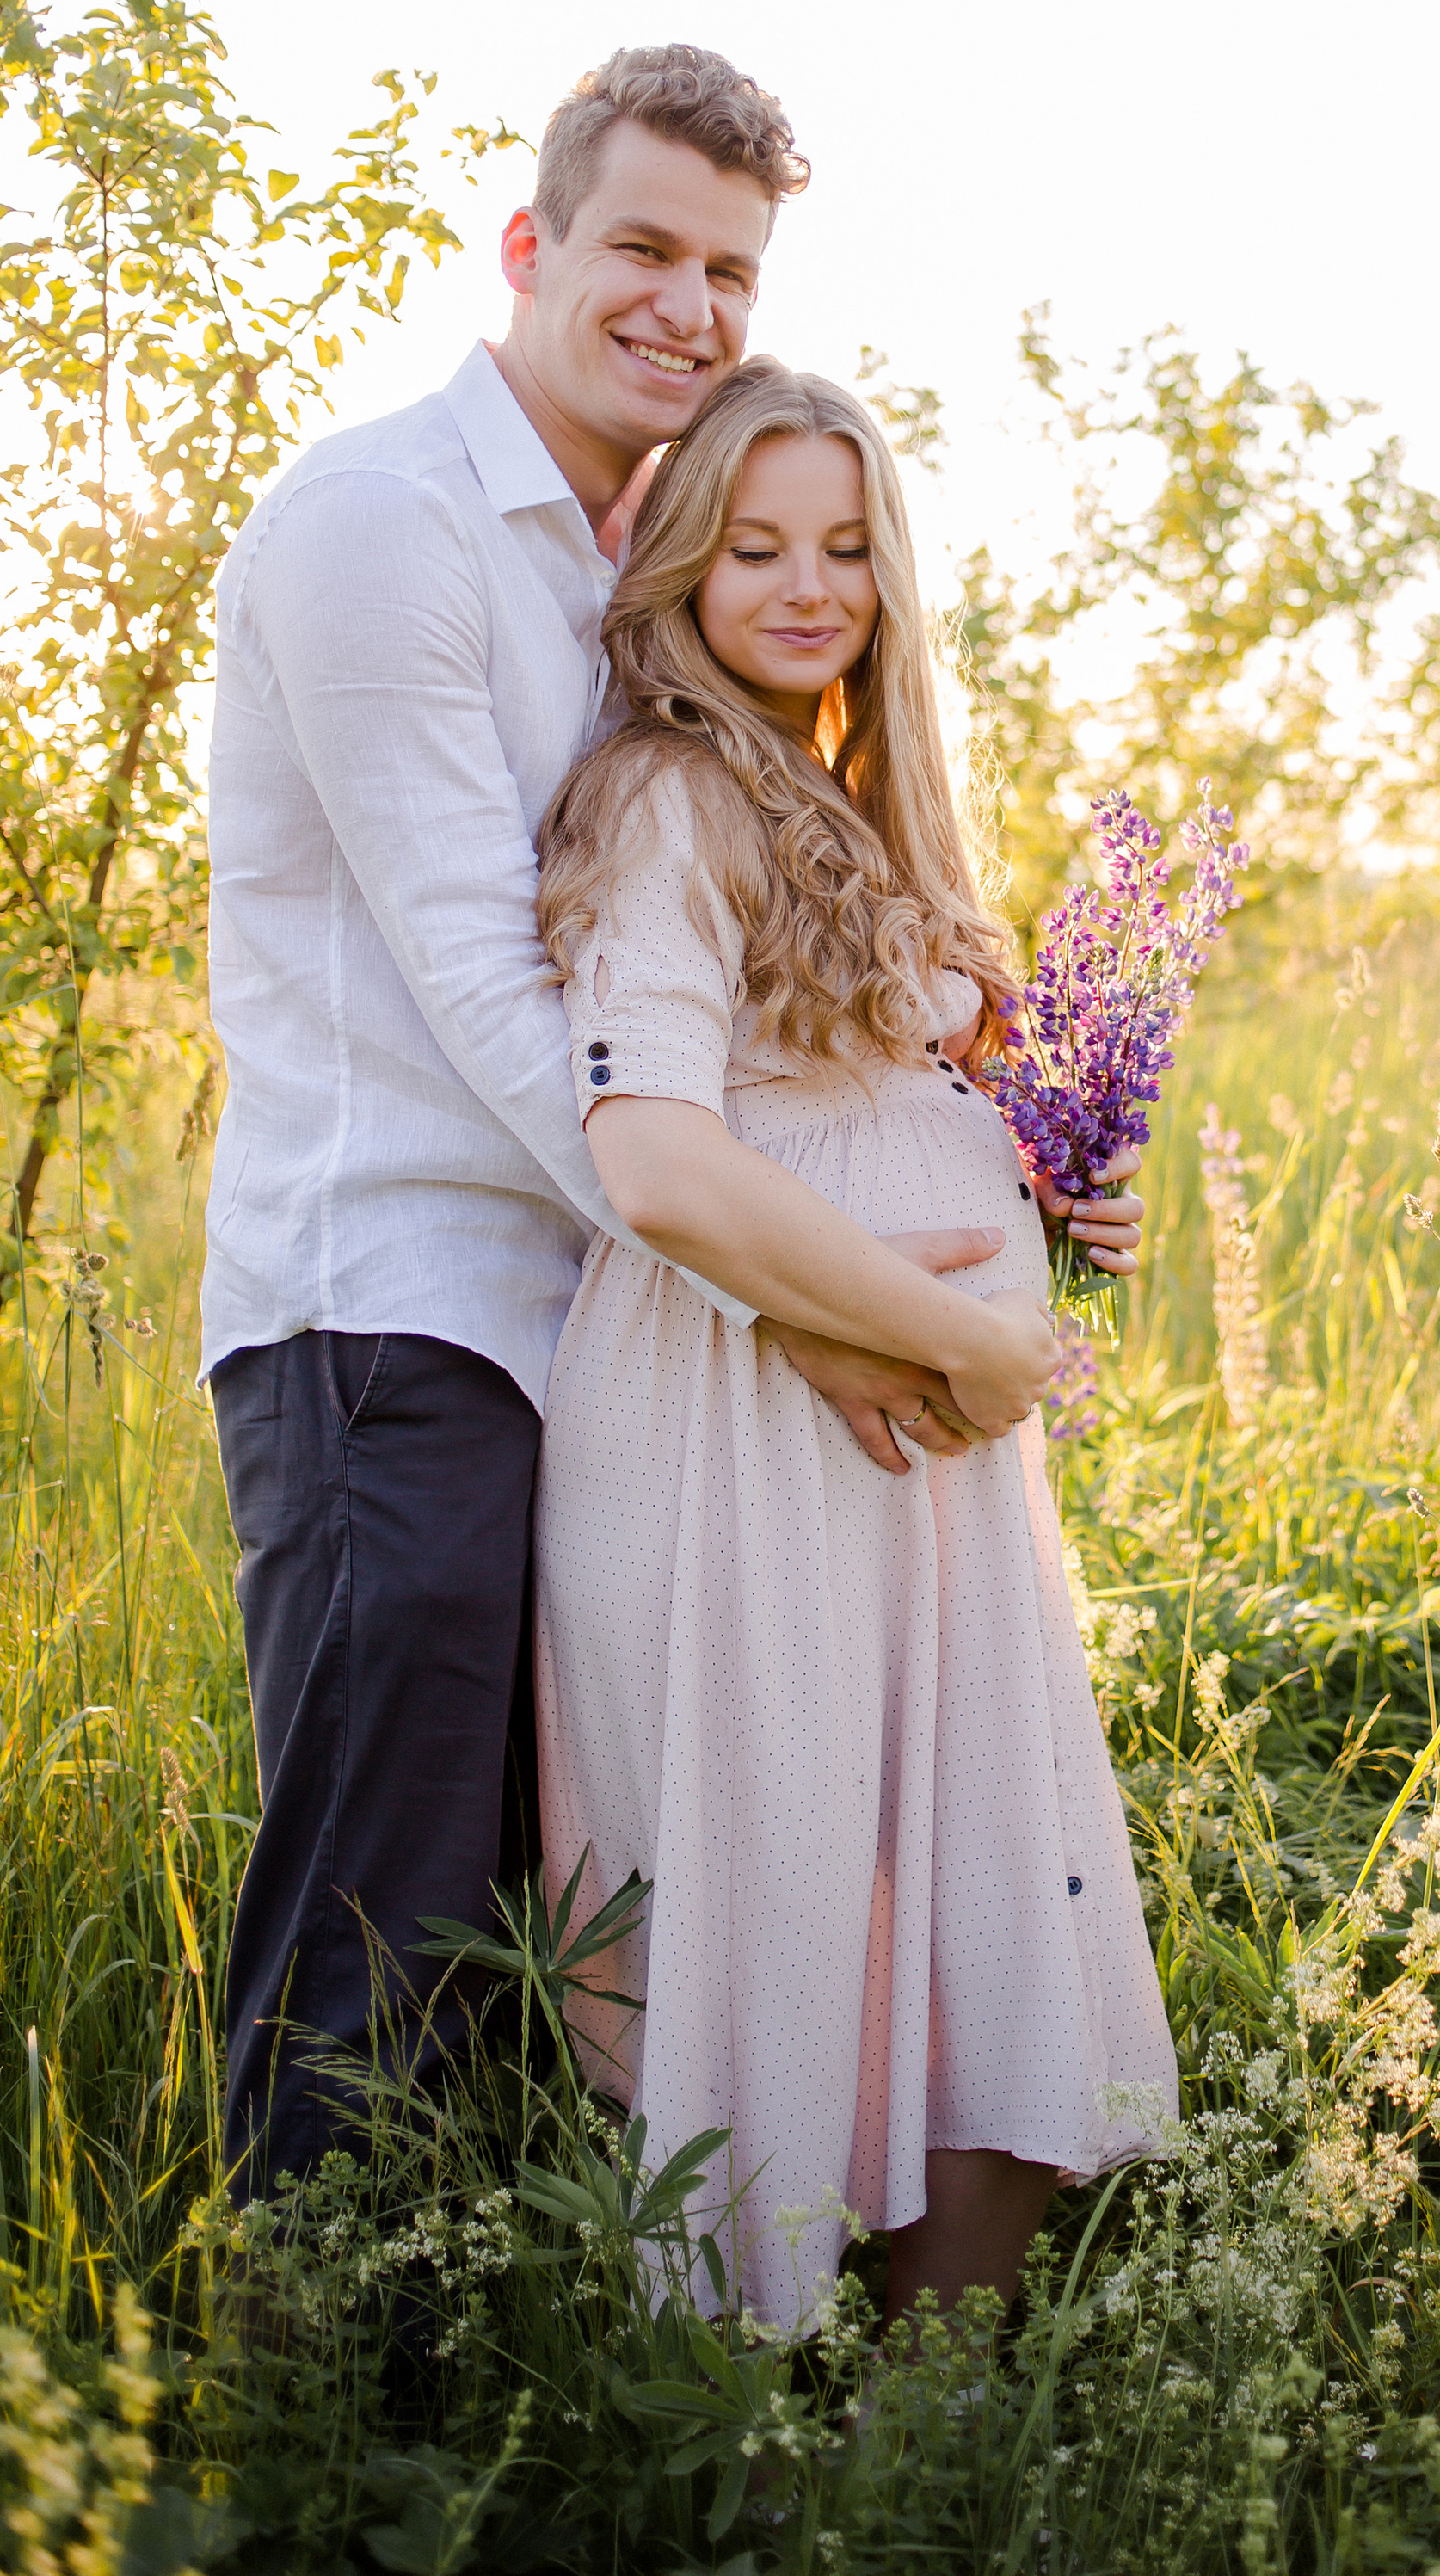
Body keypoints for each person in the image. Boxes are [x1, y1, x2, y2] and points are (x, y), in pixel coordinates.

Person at [201, 46, 1021, 2191]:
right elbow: (500, 996)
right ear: (531, 247)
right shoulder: (383, 526)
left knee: (532, 1954)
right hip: (387, 1319)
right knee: (371, 1940)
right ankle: (303, 2444)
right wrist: (783, 1288)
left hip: (592, 1322)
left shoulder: (630, 554)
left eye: (730, 270)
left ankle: (496, 2428)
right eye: (644, 248)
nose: (688, 304)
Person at [532, 366, 1178, 2337]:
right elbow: (656, 1154)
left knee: (960, 1864)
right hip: (749, 1437)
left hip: (928, 1452)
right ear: (677, 565)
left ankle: (934, 2427)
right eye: (752, 545)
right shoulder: (664, 792)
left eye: (839, 546)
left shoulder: (865, 813)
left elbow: (875, 1111)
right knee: (797, 1867)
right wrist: (968, 1352)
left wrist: (1054, 1204)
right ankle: (753, 2421)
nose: (803, 586)